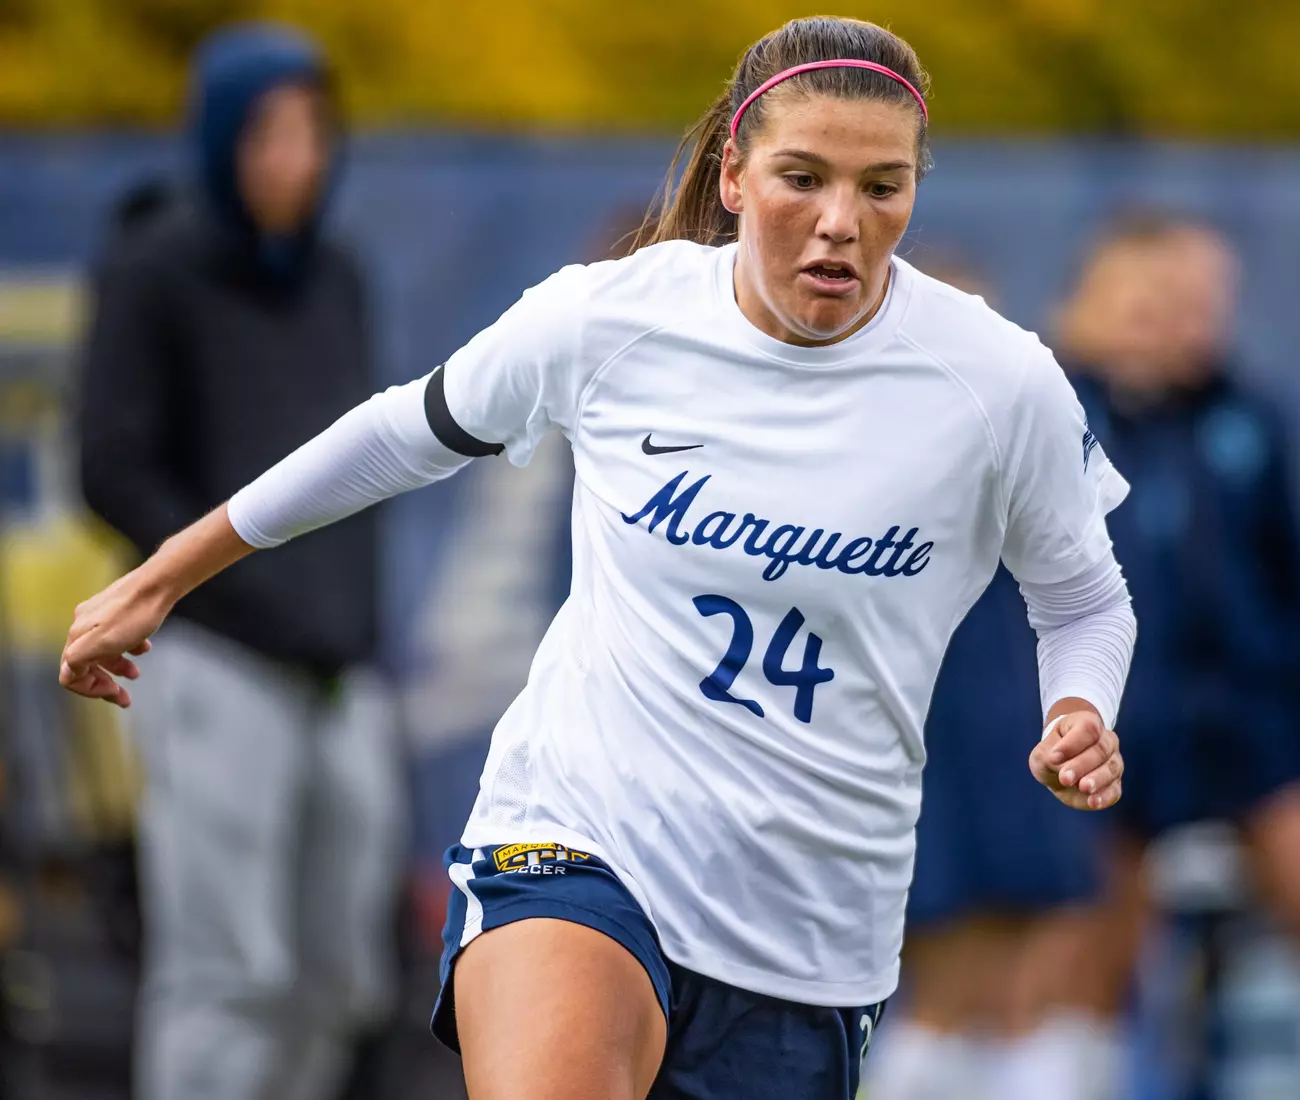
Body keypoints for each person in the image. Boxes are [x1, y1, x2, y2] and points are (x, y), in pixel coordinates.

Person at [60, 17, 1135, 1100]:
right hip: (577, 838)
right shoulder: (610, 318)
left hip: (811, 924)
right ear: (733, 173)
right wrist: (163, 576)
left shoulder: (996, 380)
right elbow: (393, 435)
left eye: (882, 188)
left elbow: (1085, 598)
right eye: (801, 177)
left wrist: (1080, 704)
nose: (839, 224)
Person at [77, 25, 403, 1100]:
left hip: (342, 678)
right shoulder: (154, 265)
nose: (295, 156)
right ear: (220, 139)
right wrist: (222, 582)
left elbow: (362, 469)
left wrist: (340, 621)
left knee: (342, 978)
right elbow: (111, 467)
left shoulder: (340, 276)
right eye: (269, 132)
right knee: (227, 975)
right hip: (216, 667)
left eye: (314, 130)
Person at [1063, 215, 1300, 1100]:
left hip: (1248, 724)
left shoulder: (1247, 419)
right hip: (1121, 724)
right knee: (1102, 947)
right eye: (1171, 301)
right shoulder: (1063, 413)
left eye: (1210, 303)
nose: (1195, 323)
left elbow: (1296, 589)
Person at [866, 257, 1118, 1100]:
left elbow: (1089, 601)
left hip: (1016, 730)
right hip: (918, 746)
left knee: (1033, 977)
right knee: (943, 987)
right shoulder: (851, 455)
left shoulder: (1031, 435)